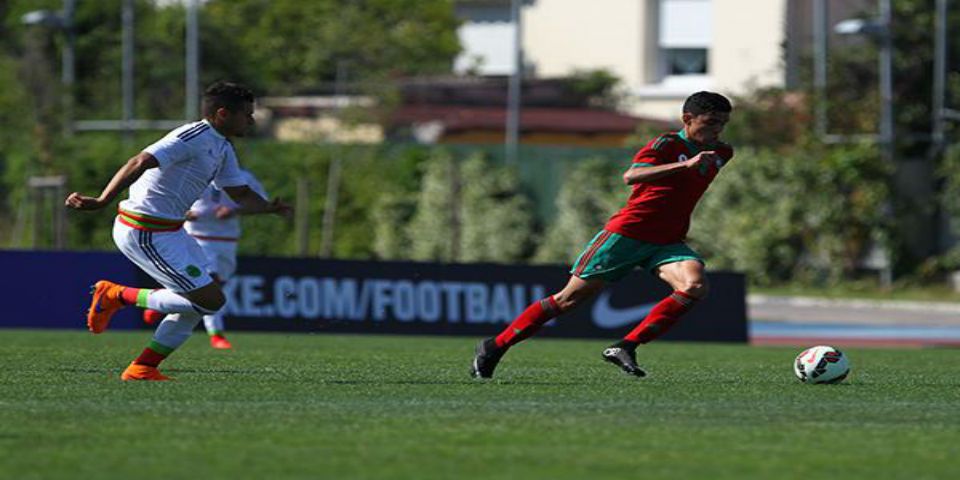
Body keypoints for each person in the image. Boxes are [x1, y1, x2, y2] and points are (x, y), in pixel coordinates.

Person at [470, 91, 734, 379]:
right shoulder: (666, 143)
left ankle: (626, 346)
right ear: (688, 119)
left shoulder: (722, 152)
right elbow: (631, 176)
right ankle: (494, 346)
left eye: (722, 123)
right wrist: (685, 164)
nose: (717, 130)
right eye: (711, 122)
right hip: (627, 233)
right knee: (567, 300)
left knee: (694, 285)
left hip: (667, 240)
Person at [65, 81, 291, 381]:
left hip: (171, 232)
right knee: (211, 301)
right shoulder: (192, 136)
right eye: (247, 114)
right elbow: (140, 160)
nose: (251, 120)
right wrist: (102, 200)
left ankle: (142, 367)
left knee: (197, 304)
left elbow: (239, 193)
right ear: (223, 114)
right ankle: (118, 295)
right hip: (143, 229)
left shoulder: (222, 147)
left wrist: (267, 207)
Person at [142, 169, 270, 350]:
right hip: (196, 236)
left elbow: (260, 203)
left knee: (212, 288)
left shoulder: (243, 177)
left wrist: (235, 210)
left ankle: (161, 300)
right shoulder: (193, 174)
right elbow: (167, 201)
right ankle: (216, 334)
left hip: (227, 239)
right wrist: (184, 213)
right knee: (212, 285)